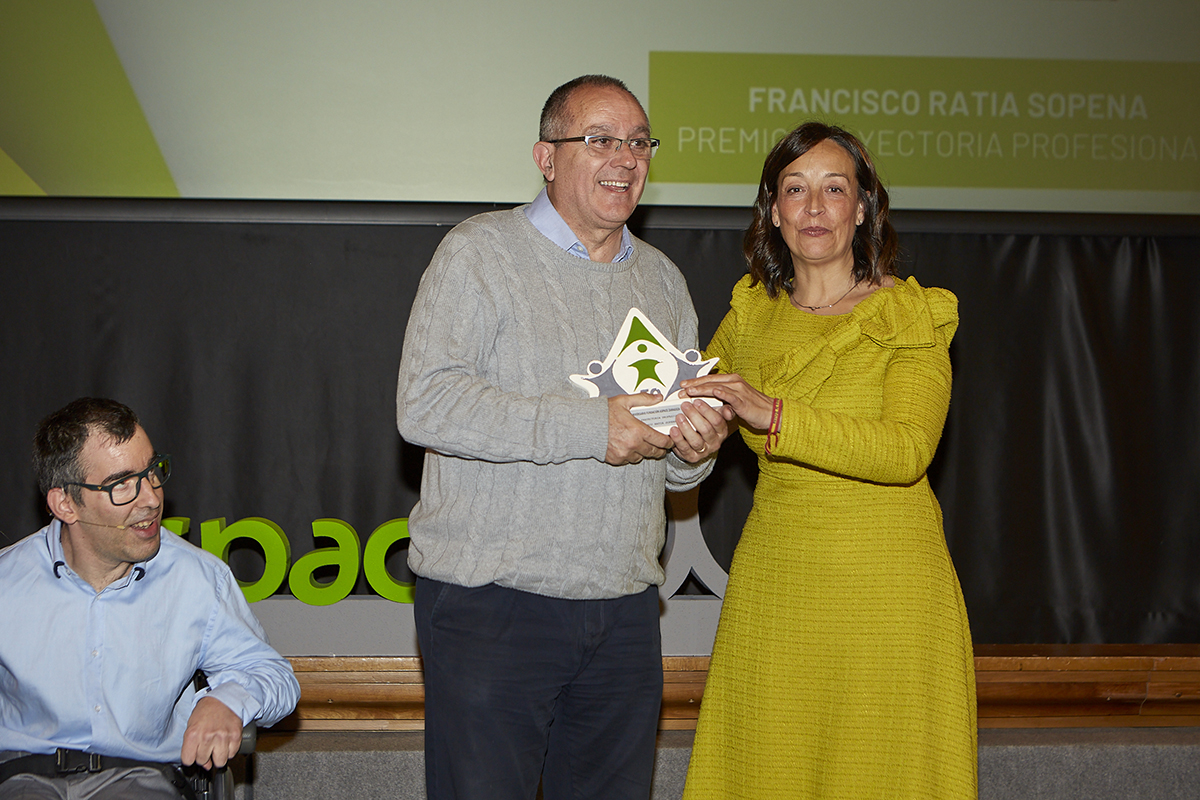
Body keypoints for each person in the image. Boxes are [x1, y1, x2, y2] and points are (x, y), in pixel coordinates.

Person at [395, 74, 730, 800]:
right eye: (600, 140)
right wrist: (593, 425)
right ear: (546, 157)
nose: (626, 159)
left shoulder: (664, 282)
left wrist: (693, 449)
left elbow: (668, 466)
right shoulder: (478, 253)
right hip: (491, 603)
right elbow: (425, 404)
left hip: (625, 608)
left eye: (639, 143)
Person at [678, 123, 977, 798]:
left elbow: (906, 450)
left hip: (889, 597)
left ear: (863, 208)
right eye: (795, 189)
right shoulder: (750, 315)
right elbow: (695, 404)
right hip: (776, 590)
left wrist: (775, 416)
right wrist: (691, 435)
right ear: (772, 210)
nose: (814, 208)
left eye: (834, 189)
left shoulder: (910, 315)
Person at [0, 398, 300, 800]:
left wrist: (230, 700)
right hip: (22, 777)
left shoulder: (196, 579)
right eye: (121, 484)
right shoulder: (7, 581)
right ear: (65, 504)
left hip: (140, 778)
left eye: (152, 472)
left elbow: (275, 676)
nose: (152, 499)